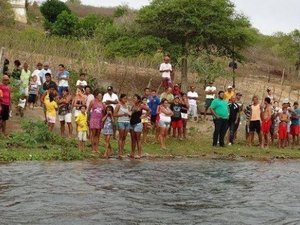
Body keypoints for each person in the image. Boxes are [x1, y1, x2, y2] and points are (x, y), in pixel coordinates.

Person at [129, 94, 149, 159]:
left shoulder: (141, 106)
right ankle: (132, 153)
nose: (134, 99)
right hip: (132, 123)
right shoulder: (133, 106)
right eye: (133, 98)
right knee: (133, 139)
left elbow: (149, 110)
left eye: (135, 98)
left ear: (138, 99)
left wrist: (144, 116)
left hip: (138, 123)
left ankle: (139, 154)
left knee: (138, 139)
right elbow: (131, 114)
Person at [114, 94, 131, 159]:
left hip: (127, 122)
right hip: (121, 121)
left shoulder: (127, 106)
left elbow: (130, 113)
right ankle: (120, 152)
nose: (125, 100)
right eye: (124, 98)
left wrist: (129, 114)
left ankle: (122, 150)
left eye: (126, 98)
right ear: (121, 99)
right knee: (121, 137)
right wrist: (122, 114)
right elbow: (114, 114)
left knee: (124, 137)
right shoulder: (118, 105)